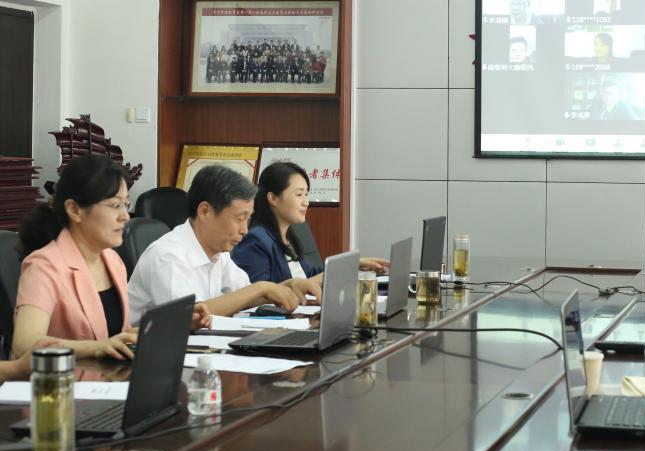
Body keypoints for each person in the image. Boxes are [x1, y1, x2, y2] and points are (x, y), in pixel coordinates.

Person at [12, 155, 208, 360]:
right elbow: (24, 344)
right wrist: (95, 348)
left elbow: (116, 335)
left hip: (109, 375)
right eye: (115, 205)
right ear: (75, 210)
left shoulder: (112, 260)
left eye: (126, 204)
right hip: (64, 378)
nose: (125, 216)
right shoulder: (44, 266)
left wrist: (176, 324)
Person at [127, 165, 321, 322]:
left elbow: (245, 296)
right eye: (239, 219)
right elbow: (190, 316)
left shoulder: (219, 252)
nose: (245, 230)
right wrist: (261, 287)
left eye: (248, 219)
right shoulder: (168, 256)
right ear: (205, 211)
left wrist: (289, 285)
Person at [232, 162, 388, 284]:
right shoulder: (256, 239)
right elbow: (258, 296)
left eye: (306, 194)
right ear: (273, 198)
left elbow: (310, 274)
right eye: (299, 194)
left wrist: (353, 265)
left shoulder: (288, 236)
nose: (306, 202)